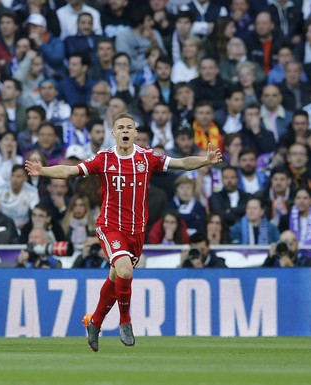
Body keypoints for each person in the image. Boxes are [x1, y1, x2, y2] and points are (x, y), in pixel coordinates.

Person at [24, 111, 222, 352]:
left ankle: (94, 322)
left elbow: (180, 163)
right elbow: (69, 171)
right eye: (121, 127)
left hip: (136, 231)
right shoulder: (103, 159)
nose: (125, 131)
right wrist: (42, 170)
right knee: (126, 270)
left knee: (116, 277)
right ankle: (125, 321)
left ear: (136, 133)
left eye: (130, 127)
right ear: (114, 133)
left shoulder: (147, 157)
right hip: (110, 227)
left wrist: (205, 160)